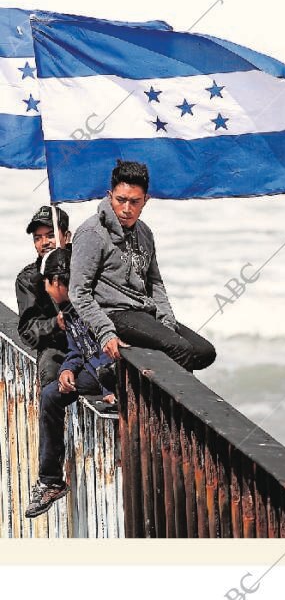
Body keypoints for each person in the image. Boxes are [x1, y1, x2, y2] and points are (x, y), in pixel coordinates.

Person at [69, 160, 216, 371]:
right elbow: (78, 293)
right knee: (180, 349)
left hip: (144, 311)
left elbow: (155, 282)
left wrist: (166, 321)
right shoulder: (92, 233)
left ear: (145, 200)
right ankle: (171, 403)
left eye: (134, 202)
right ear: (109, 196)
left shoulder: (145, 232)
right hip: (114, 313)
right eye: (121, 200)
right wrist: (104, 332)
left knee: (203, 352)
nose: (127, 209)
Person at [25, 247, 117, 519]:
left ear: (56, 282)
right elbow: (77, 349)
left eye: (46, 283)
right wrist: (67, 370)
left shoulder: (91, 304)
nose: (45, 288)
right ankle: (51, 480)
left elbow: (109, 351)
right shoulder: (68, 309)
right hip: (90, 368)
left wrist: (108, 389)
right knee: (51, 395)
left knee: (107, 373)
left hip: (111, 374)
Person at [16, 205, 71, 386]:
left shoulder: (86, 265)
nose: (44, 242)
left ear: (67, 236)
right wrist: (56, 324)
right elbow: (28, 330)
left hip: (94, 341)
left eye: (50, 235)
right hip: (57, 347)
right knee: (49, 376)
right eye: (38, 238)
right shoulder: (28, 279)